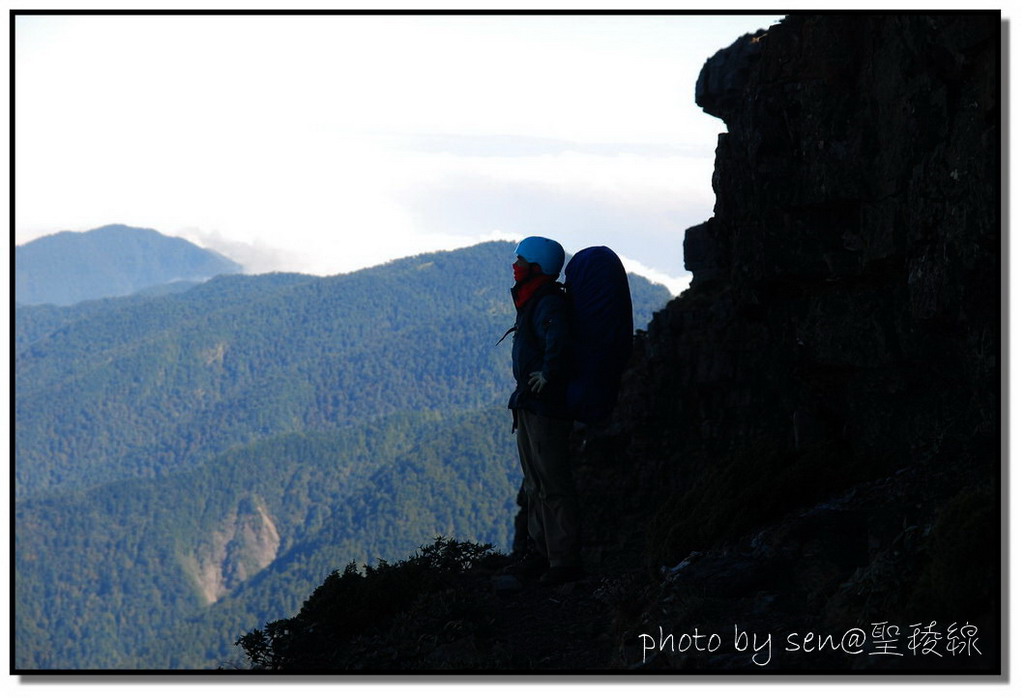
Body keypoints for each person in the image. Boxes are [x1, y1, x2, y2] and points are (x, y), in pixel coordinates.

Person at [505, 236, 582, 586]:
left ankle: (563, 561)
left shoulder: (547, 301)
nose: (514, 265)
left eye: (520, 260)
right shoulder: (534, 299)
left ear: (537, 267)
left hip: (545, 406)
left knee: (550, 482)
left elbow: (559, 340)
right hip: (530, 403)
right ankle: (542, 553)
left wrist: (548, 373)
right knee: (536, 483)